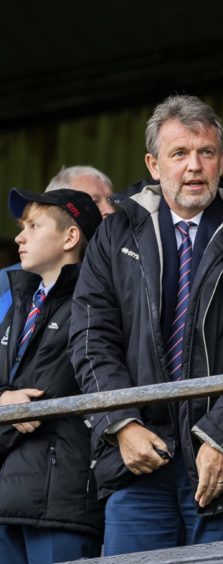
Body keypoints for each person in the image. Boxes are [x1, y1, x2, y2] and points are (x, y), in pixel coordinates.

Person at [69, 94, 223, 555]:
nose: (194, 166)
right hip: (136, 463)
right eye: (180, 154)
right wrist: (121, 424)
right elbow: (91, 339)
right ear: (154, 164)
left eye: (206, 152)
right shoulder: (114, 235)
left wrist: (222, 438)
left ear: (222, 159)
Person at [0, 188, 104, 563]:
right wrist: (4, 400)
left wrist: (11, 401)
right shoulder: (21, 303)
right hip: (8, 494)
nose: (19, 237)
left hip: (62, 497)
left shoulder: (92, 300)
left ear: (70, 237)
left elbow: (42, 396)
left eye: (33, 226)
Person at [0, 165, 115, 321]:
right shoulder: (9, 285)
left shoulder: (102, 292)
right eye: (94, 201)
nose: (111, 210)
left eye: (110, 200)